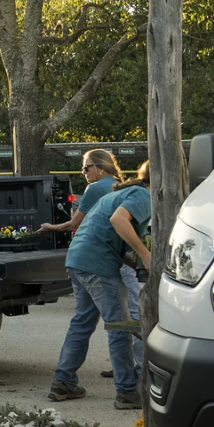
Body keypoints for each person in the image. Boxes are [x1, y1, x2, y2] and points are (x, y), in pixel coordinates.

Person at [48, 161, 152, 410]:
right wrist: (146, 256)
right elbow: (118, 221)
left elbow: (107, 235)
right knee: (120, 327)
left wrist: (133, 259)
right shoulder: (143, 194)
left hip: (78, 260)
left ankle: (64, 382)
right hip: (97, 266)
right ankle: (127, 392)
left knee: (82, 323)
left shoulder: (122, 193)